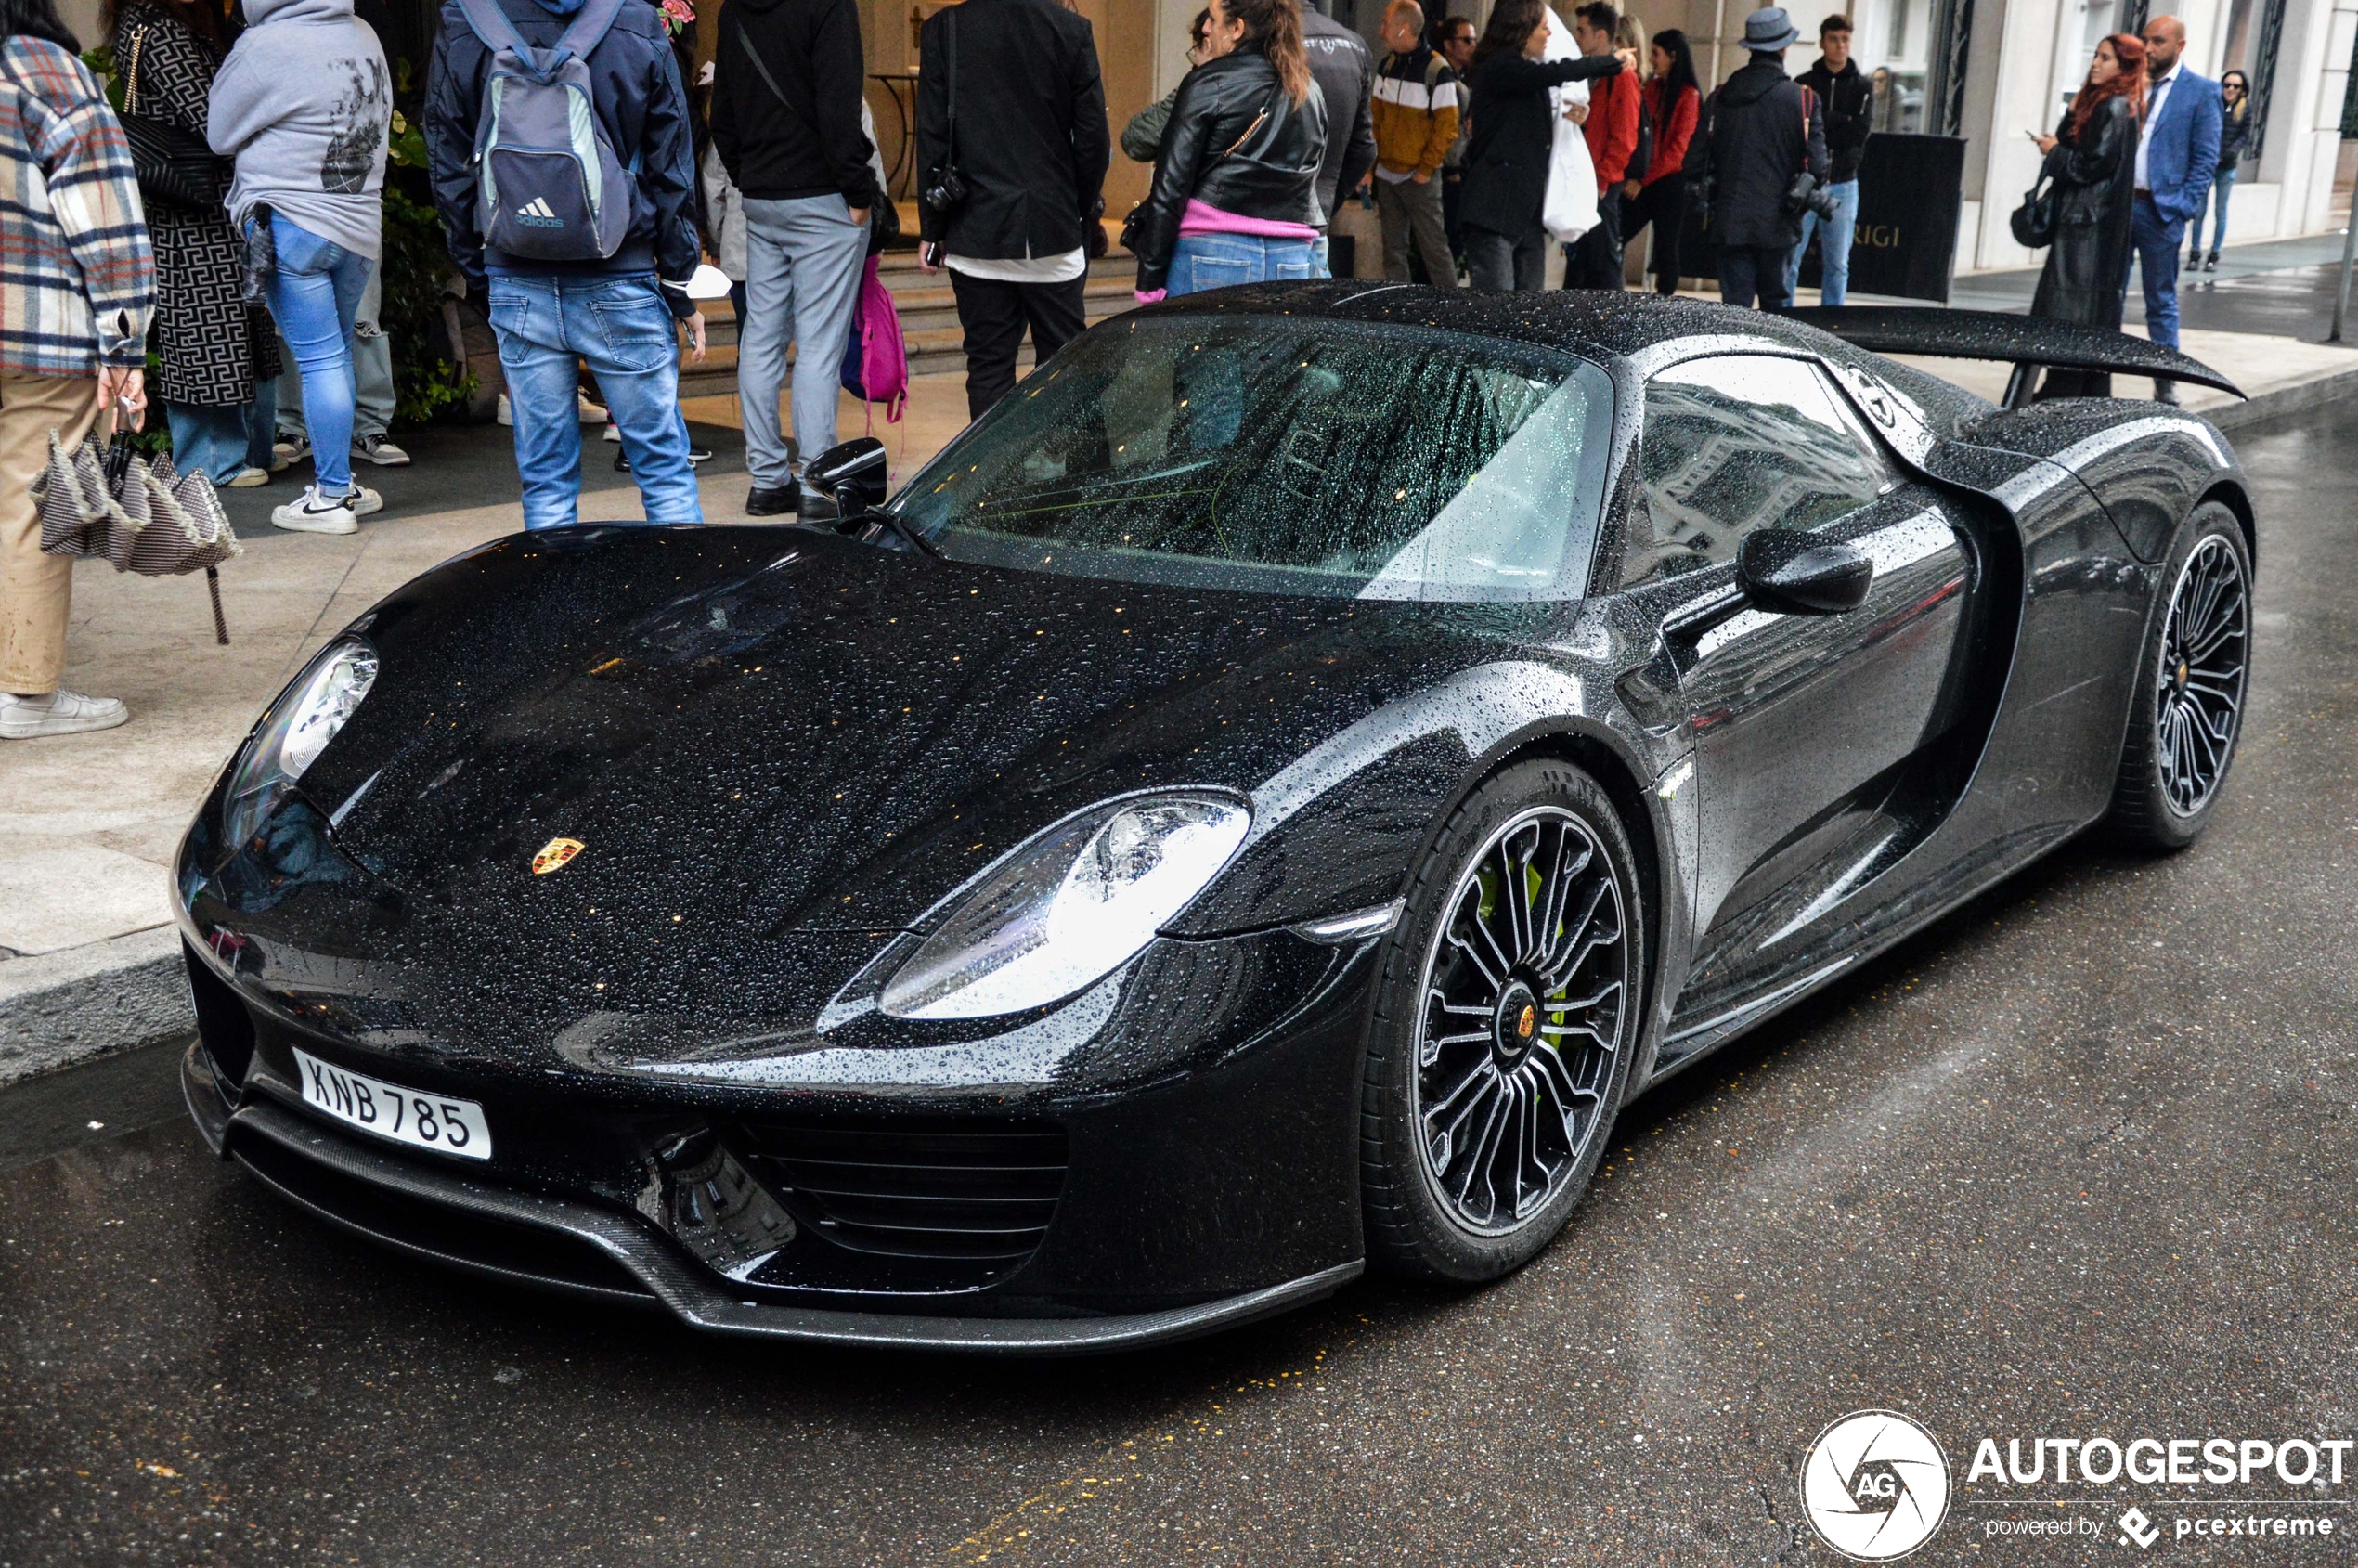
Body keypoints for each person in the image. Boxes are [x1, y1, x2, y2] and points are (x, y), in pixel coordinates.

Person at [425, 0, 707, 529]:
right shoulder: (634, 20)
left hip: (515, 271)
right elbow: (672, 164)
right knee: (664, 472)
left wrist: (479, 267)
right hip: (619, 271)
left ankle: (555, 609)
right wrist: (677, 279)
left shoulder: (468, 18)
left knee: (546, 478)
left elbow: (446, 156)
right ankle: (683, 606)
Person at [0, 0, 150, 739]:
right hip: (36, 332)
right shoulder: (41, 70)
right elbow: (107, 221)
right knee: (30, 502)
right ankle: (25, 695)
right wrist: (125, 346)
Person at [207, 0, 388, 535]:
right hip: (358, 223)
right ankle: (344, 484)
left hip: (293, 223)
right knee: (336, 357)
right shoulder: (363, 33)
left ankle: (330, 498)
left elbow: (220, 133)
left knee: (319, 361)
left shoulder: (264, 47)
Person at [711, 0, 881, 517]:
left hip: (762, 197)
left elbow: (723, 114)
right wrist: (858, 191)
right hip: (823, 195)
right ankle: (817, 482)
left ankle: (766, 480)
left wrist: (751, 177)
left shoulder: (735, 8)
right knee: (819, 344)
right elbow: (839, 105)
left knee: (760, 335)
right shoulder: (829, 5)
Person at [109, 0, 278, 491]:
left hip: (200, 199)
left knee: (226, 322)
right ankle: (213, 460)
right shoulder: (161, 28)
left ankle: (242, 450)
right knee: (208, 326)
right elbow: (211, 117)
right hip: (192, 202)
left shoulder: (156, 21)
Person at [915, 0, 1108, 419]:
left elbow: (931, 136)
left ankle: (991, 484)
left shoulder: (944, 30)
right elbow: (1094, 140)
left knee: (987, 367)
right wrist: (1076, 209)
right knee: (1067, 369)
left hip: (974, 226)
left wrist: (932, 228)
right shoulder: (1071, 30)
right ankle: (1075, 479)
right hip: (1052, 228)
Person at [1127, 0, 1326, 301]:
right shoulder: (1310, 91)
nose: (1205, 27)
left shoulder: (1208, 82)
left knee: (1200, 349)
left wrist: (1149, 282)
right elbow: (1310, 178)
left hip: (1212, 249)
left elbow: (1170, 188)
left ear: (1237, 29)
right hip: (1292, 257)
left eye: (1214, 19)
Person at [1456, 0, 1624, 291]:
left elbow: (1534, 124)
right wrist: (1607, 61)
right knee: (1495, 312)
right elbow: (1552, 74)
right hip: (1494, 213)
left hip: (1528, 214)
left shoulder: (1524, 74)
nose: (1549, 34)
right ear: (1521, 29)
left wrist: (1576, 119)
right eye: (1543, 27)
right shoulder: (1500, 66)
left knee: (1530, 312)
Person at [1683, 6, 1826, 310]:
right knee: (1777, 311)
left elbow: (1693, 161)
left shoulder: (1720, 96)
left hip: (1730, 222)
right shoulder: (1803, 99)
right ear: (1784, 47)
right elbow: (1817, 168)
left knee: (1735, 310)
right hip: (1780, 224)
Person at [2028, 33, 2144, 399]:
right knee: (2090, 346)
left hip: (2085, 233)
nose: (2096, 63)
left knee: (2070, 331)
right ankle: (2084, 411)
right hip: (2092, 229)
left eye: (2106, 58)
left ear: (2123, 68)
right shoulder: (2113, 104)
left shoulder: (2114, 106)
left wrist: (2054, 152)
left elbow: (2091, 165)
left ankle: (2050, 411)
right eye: (2096, 55)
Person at [2126, 13, 2220, 404]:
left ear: (2179, 46)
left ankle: (2165, 380)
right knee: (2105, 292)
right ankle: (2092, 374)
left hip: (2160, 211)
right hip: (2119, 208)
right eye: (2145, 39)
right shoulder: (2130, 86)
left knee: (2160, 298)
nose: (2148, 48)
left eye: (2158, 41)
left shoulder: (2201, 92)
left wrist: (2182, 206)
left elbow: (2205, 159)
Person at [1369, 0, 1458, 286]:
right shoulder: (1387, 65)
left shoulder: (1437, 70)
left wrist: (1426, 168)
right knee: (1393, 251)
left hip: (1418, 178)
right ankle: (1397, 308)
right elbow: (1375, 120)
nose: (1381, 30)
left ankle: (1450, 308)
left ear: (1403, 29)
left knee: (1434, 249)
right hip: (1387, 174)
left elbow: (1447, 128)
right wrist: (1372, 166)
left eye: (1386, 24)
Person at [1789, 12, 1871, 305]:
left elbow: (1858, 133)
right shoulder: (1805, 83)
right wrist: (1840, 120)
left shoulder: (1862, 86)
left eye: (1845, 39)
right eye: (1834, 39)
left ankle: (1832, 322)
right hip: (1807, 181)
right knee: (1791, 257)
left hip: (1844, 183)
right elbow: (1802, 131)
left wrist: (1823, 121)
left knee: (1838, 263)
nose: (1840, 45)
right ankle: (1783, 317)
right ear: (1823, 42)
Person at [1617, 27, 1698, 295]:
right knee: (1617, 233)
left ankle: (1665, 304)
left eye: (1657, 54)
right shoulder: (1652, 88)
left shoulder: (1688, 95)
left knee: (1666, 248)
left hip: (1668, 180)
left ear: (1673, 56)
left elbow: (1676, 150)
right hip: (1645, 176)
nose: (1653, 59)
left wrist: (1643, 179)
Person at [1300, 0, 1376, 275]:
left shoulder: (1270, 41)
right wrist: (1328, 200)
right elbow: (1364, 148)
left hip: (1267, 228)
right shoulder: (1354, 44)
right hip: (1317, 223)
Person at [1565, 1, 1637, 288]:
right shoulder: (1592, 73)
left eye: (1582, 31)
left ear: (1601, 35)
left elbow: (1624, 136)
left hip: (1600, 181)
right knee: (1582, 262)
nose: (1578, 37)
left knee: (1600, 263)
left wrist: (1604, 178)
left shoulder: (1620, 77)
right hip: (1587, 178)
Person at [2189, 69, 2248, 273]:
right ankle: (2194, 253)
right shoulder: (2212, 105)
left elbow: (2243, 137)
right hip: (2206, 166)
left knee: (2220, 211)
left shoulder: (2244, 110)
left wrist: (2226, 155)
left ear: (2242, 90)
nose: (2230, 89)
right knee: (2199, 211)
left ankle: (2214, 254)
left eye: (2236, 86)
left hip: (2226, 167)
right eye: (2227, 85)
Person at [1435, 13, 1475, 256]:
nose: (1473, 46)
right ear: (1449, 44)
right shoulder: (1449, 81)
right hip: (1447, 171)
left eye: (1474, 40)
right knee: (1447, 240)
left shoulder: (1463, 78)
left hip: (1453, 169)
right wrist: (1452, 170)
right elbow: (1451, 133)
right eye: (1467, 40)